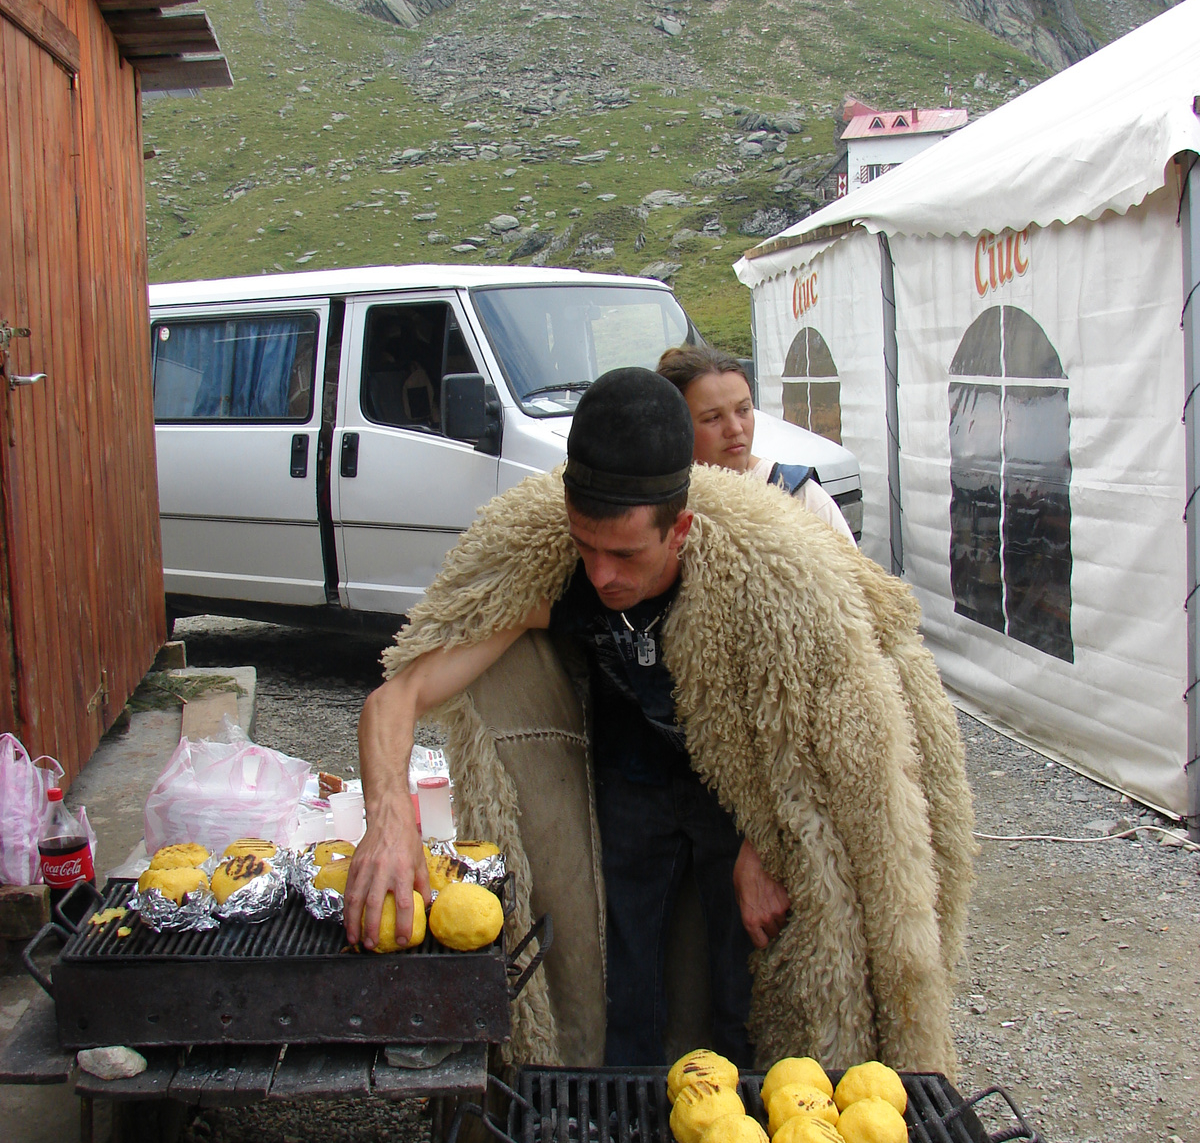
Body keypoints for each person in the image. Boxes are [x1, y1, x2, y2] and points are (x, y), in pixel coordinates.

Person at [345, 368, 973, 1077]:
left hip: (735, 791)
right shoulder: (557, 574)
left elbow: (821, 744)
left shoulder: (765, 586)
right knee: (626, 967)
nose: (602, 574)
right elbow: (399, 695)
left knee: (747, 970)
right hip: (632, 776)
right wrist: (389, 815)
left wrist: (763, 844)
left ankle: (746, 1113)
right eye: (586, 547)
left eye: (625, 555)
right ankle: (621, 1127)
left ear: (680, 530)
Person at [657, 344, 856, 544]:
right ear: (675, 428)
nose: (735, 428)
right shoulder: (657, 510)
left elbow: (852, 574)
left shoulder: (800, 497)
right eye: (713, 418)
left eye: (743, 410)